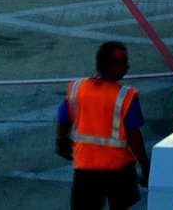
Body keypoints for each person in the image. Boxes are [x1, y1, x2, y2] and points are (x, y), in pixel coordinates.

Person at [56, 42, 151, 210]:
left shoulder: (77, 89)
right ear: (110, 65)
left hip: (85, 169)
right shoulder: (126, 96)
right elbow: (134, 136)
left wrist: (62, 141)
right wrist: (145, 164)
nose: (127, 67)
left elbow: (64, 119)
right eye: (123, 62)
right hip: (118, 170)